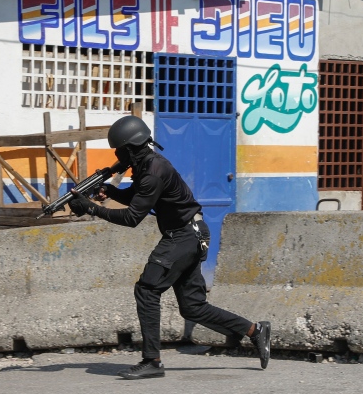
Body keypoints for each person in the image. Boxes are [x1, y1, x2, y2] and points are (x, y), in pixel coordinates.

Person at [68, 115, 271, 380]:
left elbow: (132, 218)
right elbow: (137, 196)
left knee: (147, 289)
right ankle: (256, 331)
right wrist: (109, 191)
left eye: (118, 150)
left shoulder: (153, 170)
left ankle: (152, 360)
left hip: (184, 236)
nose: (117, 155)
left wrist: (91, 208)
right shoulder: (147, 167)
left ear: (129, 148)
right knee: (193, 308)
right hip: (191, 234)